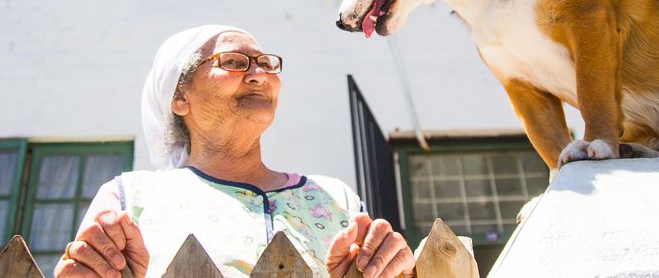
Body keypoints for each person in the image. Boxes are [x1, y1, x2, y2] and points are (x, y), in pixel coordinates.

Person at [54, 25, 415, 278]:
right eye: (234, 62)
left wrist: (398, 269)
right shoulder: (129, 199)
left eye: (266, 63)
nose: (258, 74)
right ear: (180, 98)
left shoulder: (336, 198)